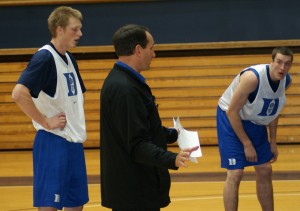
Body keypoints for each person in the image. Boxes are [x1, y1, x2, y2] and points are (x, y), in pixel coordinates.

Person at [100, 24, 199, 211]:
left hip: (136, 187)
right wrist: (172, 159)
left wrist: (172, 134)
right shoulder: (125, 90)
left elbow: (140, 127)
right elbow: (137, 143)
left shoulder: (126, 82)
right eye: (151, 48)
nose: (154, 54)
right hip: (134, 190)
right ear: (138, 50)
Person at [11, 6, 88, 211]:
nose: (80, 34)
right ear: (59, 29)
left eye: (80, 29)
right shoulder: (44, 57)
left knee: (76, 203)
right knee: (49, 205)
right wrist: (45, 121)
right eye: (75, 29)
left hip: (73, 142)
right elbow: (19, 94)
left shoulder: (69, 58)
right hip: (54, 141)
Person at [217, 46, 293, 211]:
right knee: (235, 173)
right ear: (271, 62)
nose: (282, 68)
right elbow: (232, 111)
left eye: (287, 64)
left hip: (255, 119)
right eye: (279, 62)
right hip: (230, 118)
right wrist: (246, 143)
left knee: (265, 169)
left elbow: (274, 111)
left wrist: (273, 141)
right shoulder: (253, 78)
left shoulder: (285, 81)